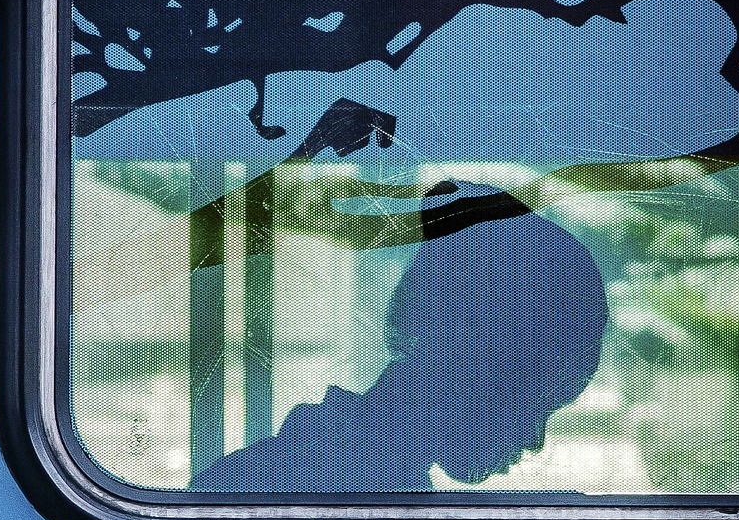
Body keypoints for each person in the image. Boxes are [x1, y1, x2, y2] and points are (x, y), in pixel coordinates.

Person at [189, 209, 609, 494]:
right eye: (539, 403)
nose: (536, 443)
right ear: (480, 368)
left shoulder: (291, 469)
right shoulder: (354, 495)